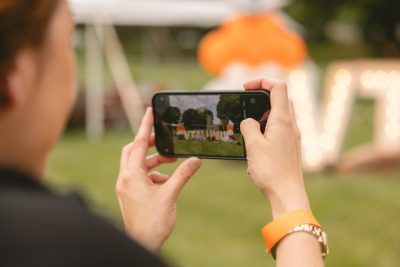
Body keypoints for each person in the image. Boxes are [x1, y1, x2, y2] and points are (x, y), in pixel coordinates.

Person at [0, 0, 326, 266]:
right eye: (69, 42)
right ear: (20, 73)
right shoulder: (71, 244)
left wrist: (138, 241)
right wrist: (288, 193)